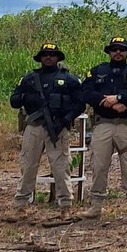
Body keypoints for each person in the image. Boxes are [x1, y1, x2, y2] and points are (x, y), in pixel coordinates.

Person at [9, 43, 85, 223]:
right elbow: (14, 100)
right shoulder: (29, 79)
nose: (48, 57)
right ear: (40, 58)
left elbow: (80, 104)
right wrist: (26, 97)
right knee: (28, 166)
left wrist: (65, 120)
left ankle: (65, 206)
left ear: (58, 57)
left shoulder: (69, 79)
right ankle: (21, 206)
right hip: (34, 126)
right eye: (45, 54)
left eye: (52, 54)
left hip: (58, 129)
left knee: (61, 167)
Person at [79, 36, 127, 223]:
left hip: (125, 125)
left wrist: (121, 99)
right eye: (114, 49)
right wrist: (106, 102)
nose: (118, 52)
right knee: (98, 165)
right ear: (109, 52)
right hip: (103, 124)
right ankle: (95, 206)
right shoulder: (97, 71)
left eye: (122, 49)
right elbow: (85, 92)